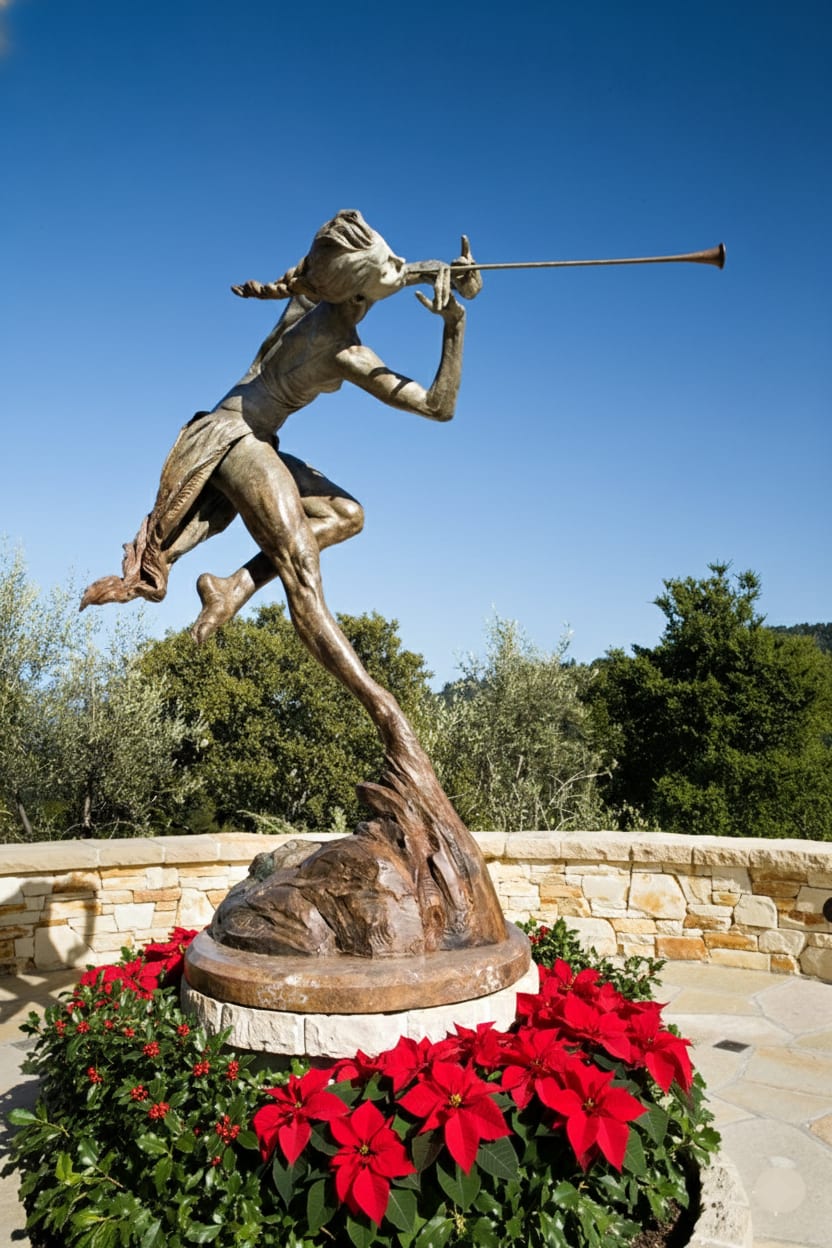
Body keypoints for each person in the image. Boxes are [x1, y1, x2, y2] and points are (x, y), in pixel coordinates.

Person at [81, 209, 481, 764]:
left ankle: (233, 588)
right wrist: (454, 325)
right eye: (385, 262)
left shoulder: (312, 297)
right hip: (236, 438)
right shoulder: (345, 351)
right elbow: (439, 407)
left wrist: (434, 271)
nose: (398, 264)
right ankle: (384, 712)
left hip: (249, 432)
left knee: (346, 514)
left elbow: (385, 276)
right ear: (357, 288)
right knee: (303, 576)